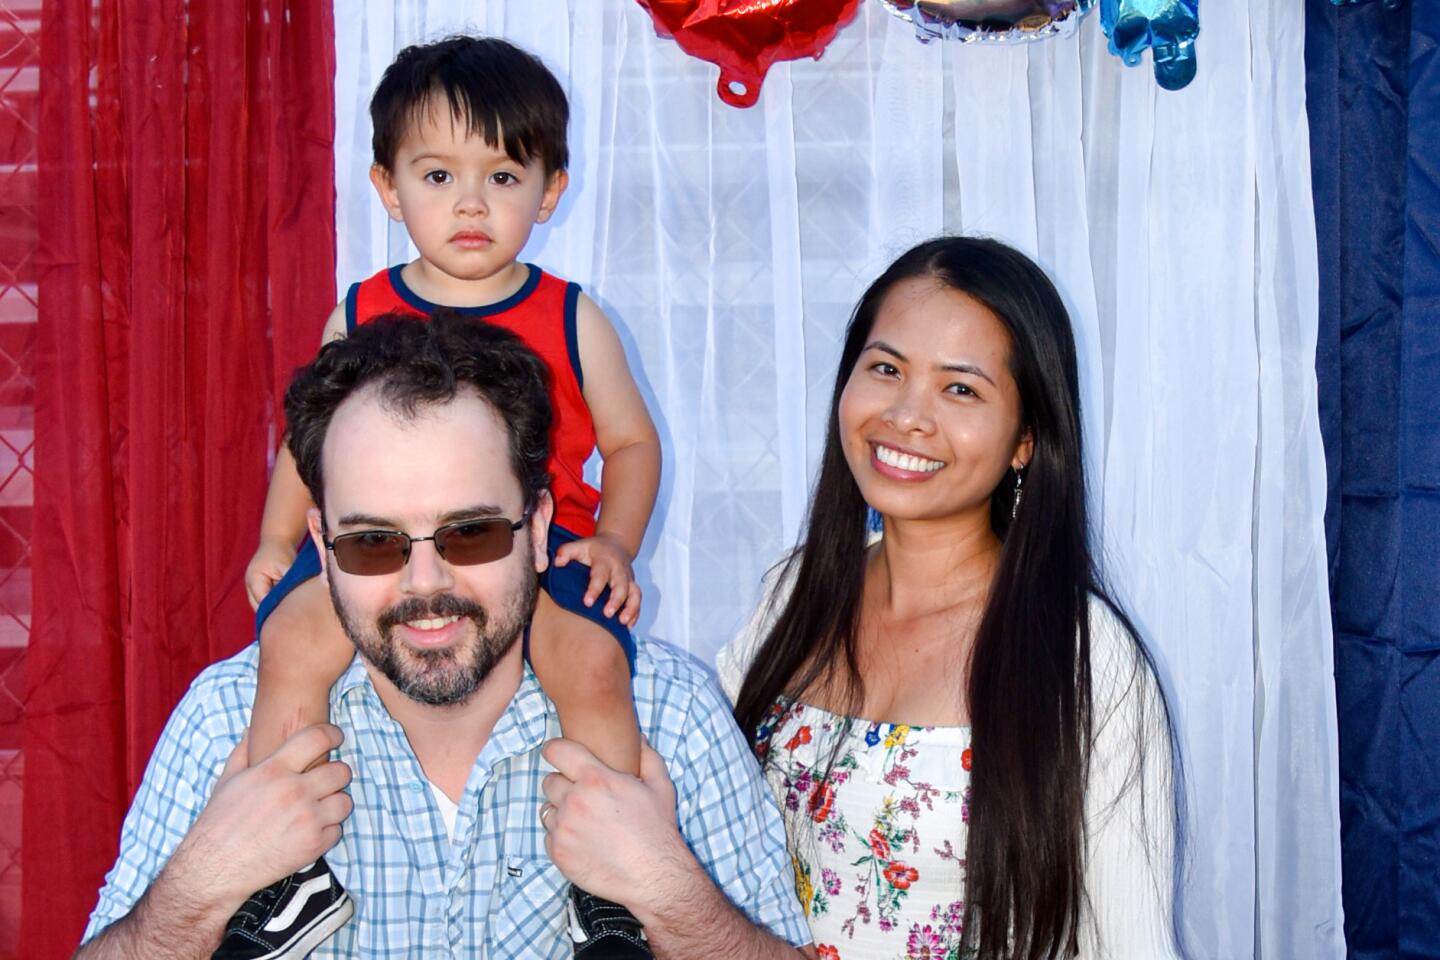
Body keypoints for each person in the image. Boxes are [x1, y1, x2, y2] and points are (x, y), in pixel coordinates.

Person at [76, 313, 810, 959]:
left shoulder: (670, 715)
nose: (424, 582)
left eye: (471, 532)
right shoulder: (225, 718)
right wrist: (200, 887)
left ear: (542, 526)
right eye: (371, 542)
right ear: (318, 543)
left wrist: (668, 893)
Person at [549, 237, 1185, 959]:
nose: (907, 415)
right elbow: (708, 825)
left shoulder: (1081, 654)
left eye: (961, 388)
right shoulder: (795, 594)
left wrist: (669, 887)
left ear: (1026, 440)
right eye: (886, 368)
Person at [236, 36, 662, 957]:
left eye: (504, 176)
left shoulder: (573, 314)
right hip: (378, 549)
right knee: (289, 643)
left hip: (534, 552)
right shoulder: (359, 311)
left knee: (590, 667)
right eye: (437, 175)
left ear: (550, 190)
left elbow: (631, 443)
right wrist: (278, 539)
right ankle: (283, 878)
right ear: (388, 188)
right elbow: (303, 441)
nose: (471, 204)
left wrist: (617, 544)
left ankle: (612, 892)